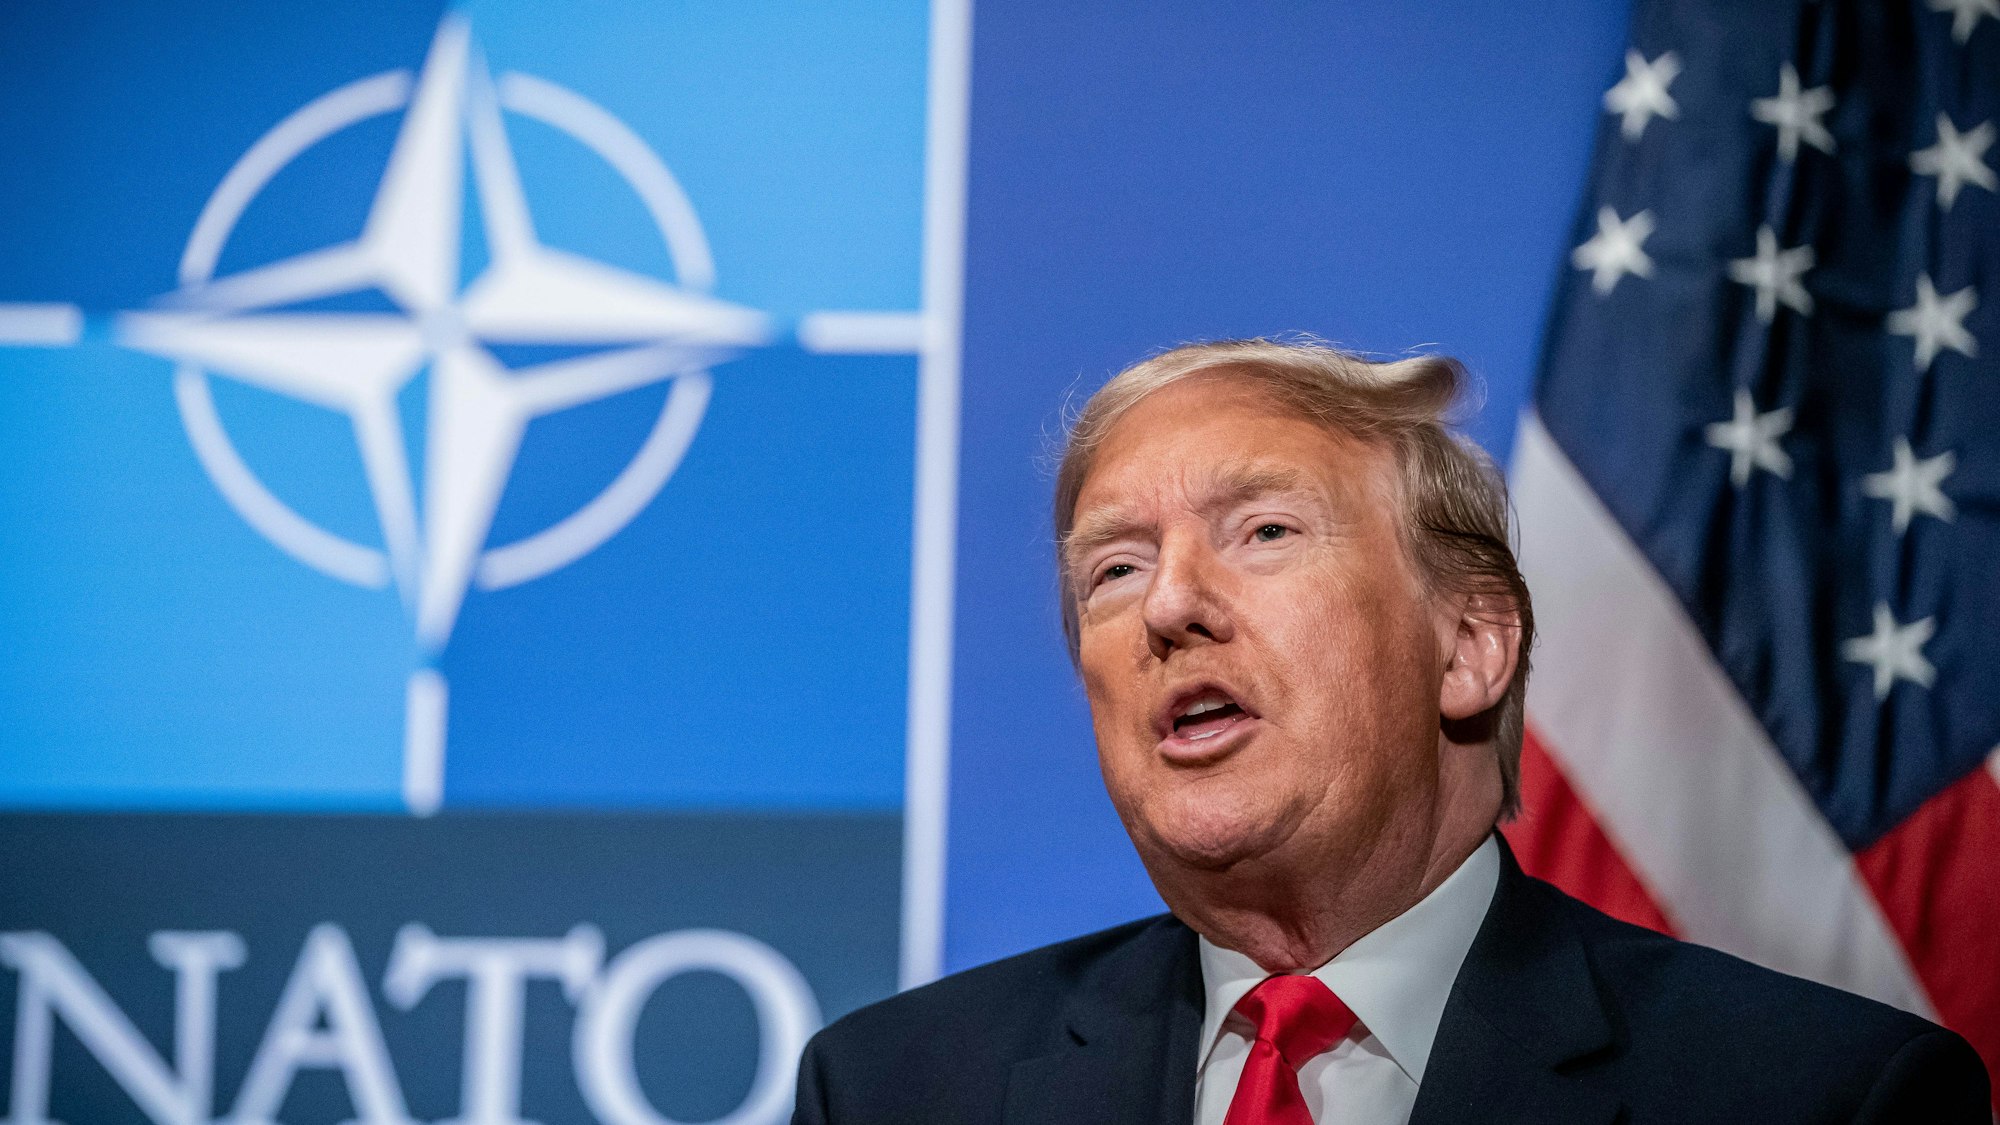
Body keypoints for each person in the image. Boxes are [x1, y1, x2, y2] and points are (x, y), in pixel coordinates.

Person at [791, 340, 1990, 1124]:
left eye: (1262, 531)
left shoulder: (1818, 1103)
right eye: (1113, 568)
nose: (1166, 606)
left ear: (1469, 649)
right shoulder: (894, 1092)